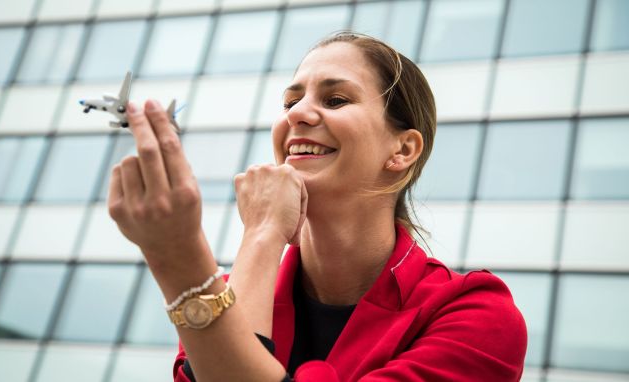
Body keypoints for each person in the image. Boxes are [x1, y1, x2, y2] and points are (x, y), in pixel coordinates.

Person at [107, 32, 527, 381]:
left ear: (402, 149)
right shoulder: (228, 292)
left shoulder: (477, 316)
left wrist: (183, 258)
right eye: (290, 102)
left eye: (336, 100)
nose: (298, 114)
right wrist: (255, 242)